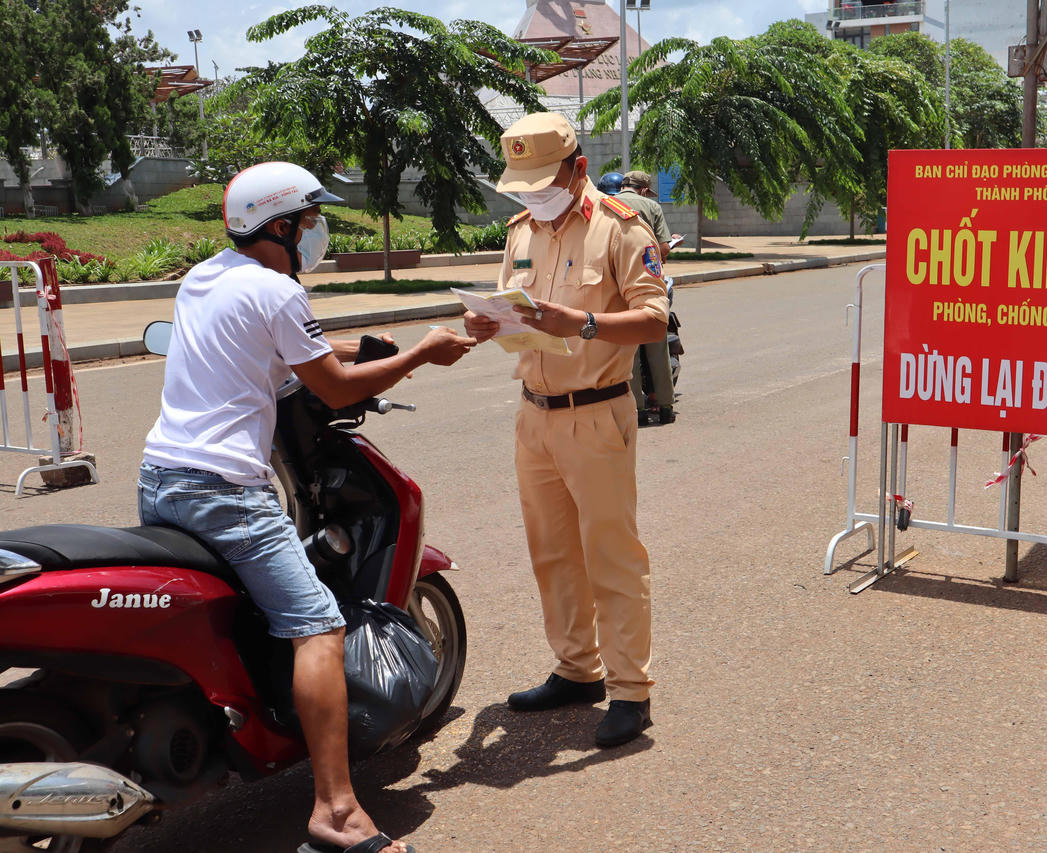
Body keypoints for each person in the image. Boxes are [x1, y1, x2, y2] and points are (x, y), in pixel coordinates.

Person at [138, 161, 475, 853]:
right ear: (283, 225)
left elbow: (289, 352)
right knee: (317, 626)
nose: (318, 235)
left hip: (161, 477)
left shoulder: (202, 278)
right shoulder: (276, 291)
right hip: (225, 490)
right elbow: (338, 388)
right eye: (312, 222)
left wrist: (370, 345)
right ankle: (337, 814)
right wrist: (419, 354)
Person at [463, 112, 669, 748]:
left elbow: (655, 322)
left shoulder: (621, 229)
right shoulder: (521, 230)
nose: (531, 197)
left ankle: (630, 690)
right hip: (535, 415)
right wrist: (489, 323)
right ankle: (577, 669)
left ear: (577, 168)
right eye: (521, 186)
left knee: (611, 554)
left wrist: (578, 323)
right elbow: (517, 306)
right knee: (552, 554)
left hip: (598, 411)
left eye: (542, 183)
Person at [616, 170, 680, 425]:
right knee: (657, 344)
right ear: (643, 189)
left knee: (628, 347)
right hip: (647, 282)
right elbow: (662, 248)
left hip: (617, 284)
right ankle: (665, 405)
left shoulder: (603, 205)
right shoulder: (651, 206)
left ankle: (638, 409)